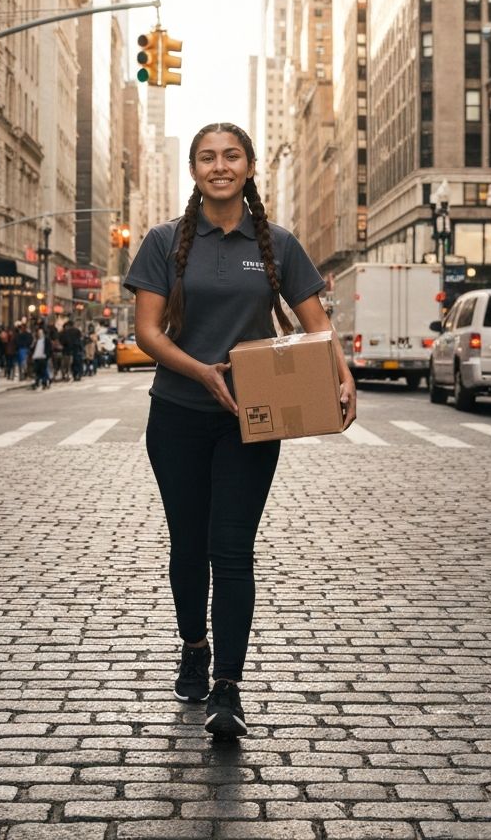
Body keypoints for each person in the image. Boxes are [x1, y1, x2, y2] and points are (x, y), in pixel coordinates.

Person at [124, 122, 357, 741]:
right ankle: (194, 646)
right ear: (194, 170)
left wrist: (343, 374)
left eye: (231, 156)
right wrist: (201, 372)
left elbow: (315, 323)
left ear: (250, 168)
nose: (219, 166)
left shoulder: (277, 243)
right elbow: (147, 332)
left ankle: (228, 685)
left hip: (252, 420)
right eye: (207, 157)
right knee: (187, 543)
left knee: (231, 548)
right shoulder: (161, 241)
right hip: (176, 413)